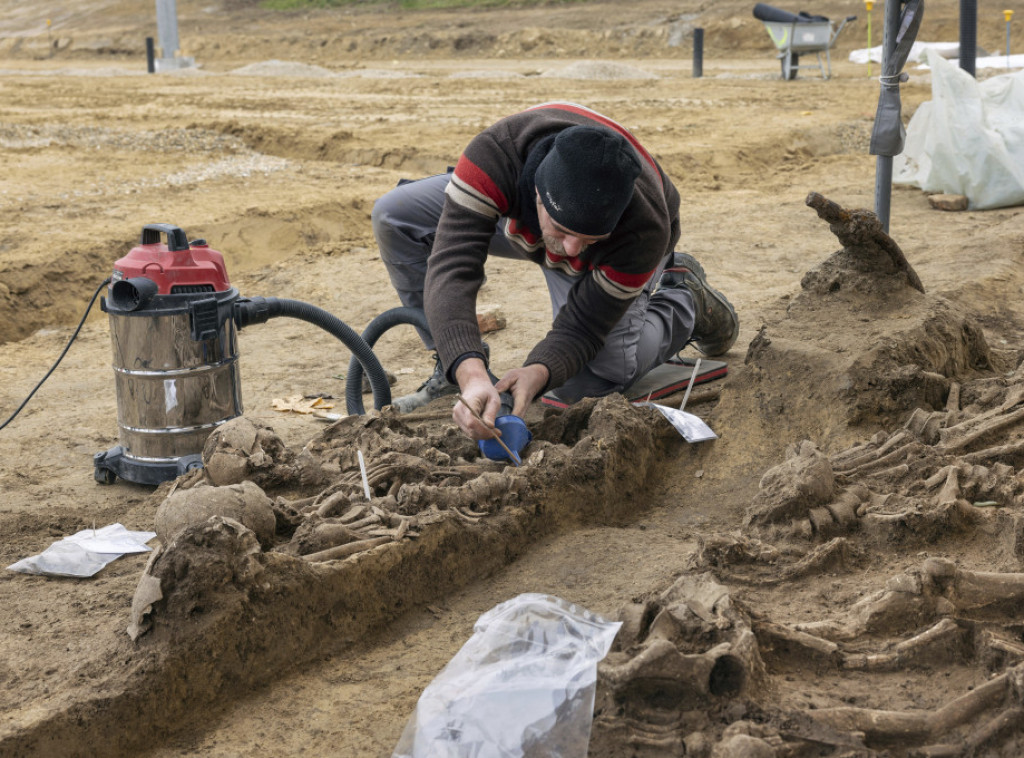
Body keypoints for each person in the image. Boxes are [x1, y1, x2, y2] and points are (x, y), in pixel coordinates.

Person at [372, 101, 738, 442]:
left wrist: (539, 371)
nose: (572, 251)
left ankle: (684, 299)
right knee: (394, 216)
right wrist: (468, 368)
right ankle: (451, 371)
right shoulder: (495, 157)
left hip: (613, 255)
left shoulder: (644, 229)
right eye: (563, 231)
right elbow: (453, 267)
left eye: (588, 237)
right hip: (520, 210)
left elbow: (584, 328)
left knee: (589, 383)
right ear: (537, 194)